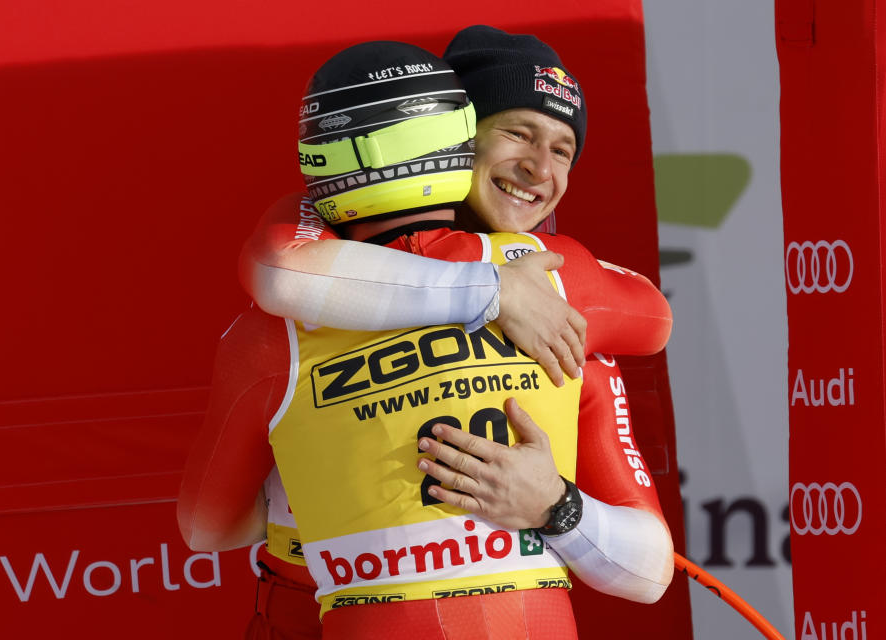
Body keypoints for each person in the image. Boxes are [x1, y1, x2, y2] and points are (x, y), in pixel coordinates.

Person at [178, 35, 673, 639]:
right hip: (307, 610)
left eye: (563, 148)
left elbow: (651, 314)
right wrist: (493, 289)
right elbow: (278, 267)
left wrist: (556, 506)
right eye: (517, 133)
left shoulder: (559, 296)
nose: (541, 169)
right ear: (452, 135)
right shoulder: (306, 254)